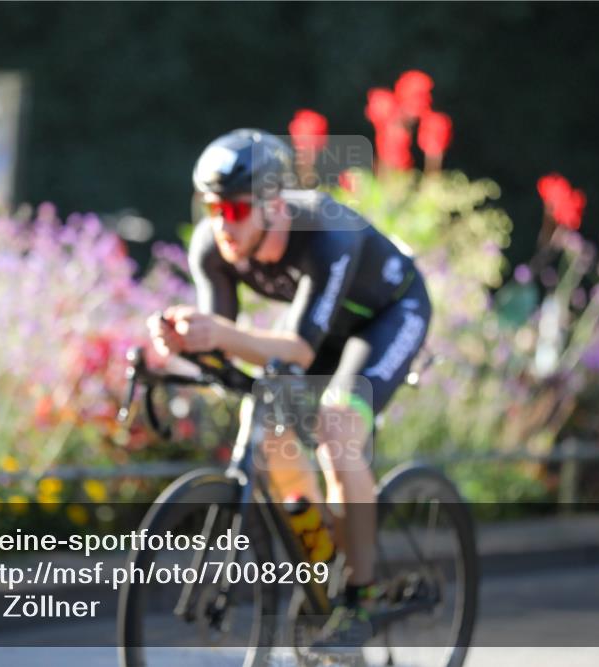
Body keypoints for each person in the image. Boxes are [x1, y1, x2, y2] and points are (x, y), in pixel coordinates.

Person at [147, 128, 431, 645]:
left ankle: (363, 598)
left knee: (339, 432)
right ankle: (327, 559)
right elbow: (221, 336)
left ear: (273, 205)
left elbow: (298, 349)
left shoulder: (327, 233)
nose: (219, 224)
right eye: (210, 208)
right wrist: (180, 342)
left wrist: (219, 335)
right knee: (273, 435)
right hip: (328, 331)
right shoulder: (216, 245)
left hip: (390, 315)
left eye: (233, 210)